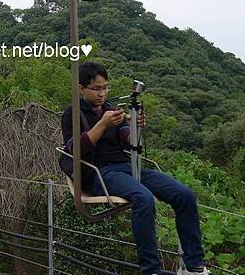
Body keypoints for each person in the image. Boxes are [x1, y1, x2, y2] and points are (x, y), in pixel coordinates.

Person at [60, 62, 208, 275]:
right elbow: (74, 150)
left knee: (184, 195)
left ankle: (194, 266)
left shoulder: (111, 109)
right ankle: (151, 270)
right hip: (101, 173)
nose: (103, 93)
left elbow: (128, 140)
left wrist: (134, 127)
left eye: (106, 87)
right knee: (143, 198)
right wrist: (102, 125)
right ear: (81, 89)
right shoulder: (72, 114)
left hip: (129, 168)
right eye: (97, 88)